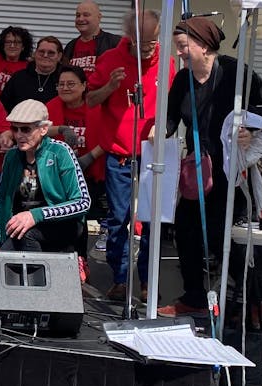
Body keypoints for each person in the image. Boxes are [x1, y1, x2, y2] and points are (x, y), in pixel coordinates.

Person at [158, 17, 262, 318]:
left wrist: (250, 129)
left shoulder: (236, 73)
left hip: (229, 169)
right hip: (197, 168)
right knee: (185, 230)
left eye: (183, 46)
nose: (180, 53)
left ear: (204, 46)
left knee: (223, 235)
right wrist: (159, 133)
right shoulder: (183, 80)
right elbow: (171, 117)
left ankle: (256, 297)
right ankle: (194, 296)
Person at [87, 10, 174, 302]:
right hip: (120, 154)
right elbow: (89, 99)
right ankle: (121, 279)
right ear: (129, 36)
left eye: (153, 41)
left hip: (154, 152)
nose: (148, 48)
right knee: (118, 219)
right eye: (142, 42)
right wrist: (110, 86)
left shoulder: (168, 61)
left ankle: (148, 282)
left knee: (152, 221)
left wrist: (164, 129)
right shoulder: (110, 58)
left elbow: (175, 105)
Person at [0, 99, 90, 252]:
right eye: (14, 129)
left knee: (27, 235)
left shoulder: (60, 151)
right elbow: (2, 199)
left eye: (25, 129)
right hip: (23, 227)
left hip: (63, 225)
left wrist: (36, 215)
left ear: (43, 129)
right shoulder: (12, 156)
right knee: (2, 259)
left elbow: (83, 202)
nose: (19, 135)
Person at [46, 65, 107, 281]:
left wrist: (89, 157)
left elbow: (109, 136)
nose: (65, 88)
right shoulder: (51, 106)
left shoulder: (97, 107)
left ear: (84, 86)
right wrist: (62, 128)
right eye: (61, 84)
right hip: (59, 174)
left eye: (71, 84)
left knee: (81, 221)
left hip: (93, 170)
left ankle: (81, 260)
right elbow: (40, 130)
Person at [0, 36, 64, 112]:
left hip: (55, 123)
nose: (45, 55)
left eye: (51, 53)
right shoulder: (19, 77)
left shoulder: (64, 79)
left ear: (59, 56)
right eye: (41, 52)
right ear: (35, 53)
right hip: (20, 122)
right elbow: (2, 106)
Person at [0, 2, 31, 96]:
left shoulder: (29, 67)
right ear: (3, 45)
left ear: (23, 47)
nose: (12, 46)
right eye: (8, 42)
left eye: (16, 42)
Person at [63, 1, 121, 75]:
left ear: (99, 17)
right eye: (78, 15)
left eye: (86, 15)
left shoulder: (115, 43)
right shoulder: (70, 46)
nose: (80, 19)